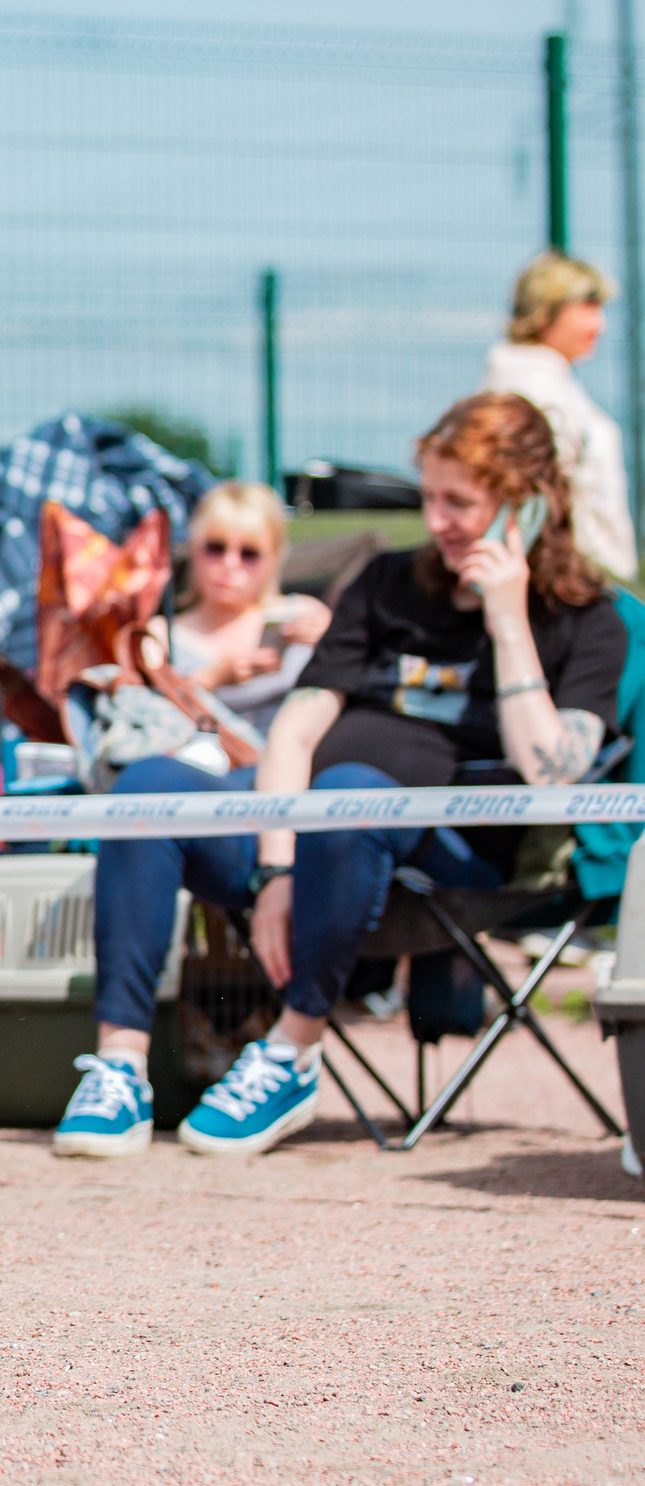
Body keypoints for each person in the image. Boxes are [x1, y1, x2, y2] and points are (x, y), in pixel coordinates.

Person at [51, 392, 624, 1158]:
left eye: (460, 502)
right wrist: (278, 869)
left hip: (449, 856)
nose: (439, 521)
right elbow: (294, 730)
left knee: (351, 789)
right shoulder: (388, 583)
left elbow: (552, 775)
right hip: (305, 831)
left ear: (526, 504)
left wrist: (508, 617)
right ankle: (120, 1069)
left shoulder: (588, 618)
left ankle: (292, 1050)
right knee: (151, 784)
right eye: (430, 497)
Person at [481, 251, 633, 579]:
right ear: (544, 311)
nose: (599, 324)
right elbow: (539, 499)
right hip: (570, 575)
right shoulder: (532, 388)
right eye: (586, 308)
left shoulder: (547, 378)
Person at [152, 482, 331, 735]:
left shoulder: (305, 614)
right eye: (216, 548)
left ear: (275, 557)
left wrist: (334, 644)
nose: (230, 564)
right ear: (193, 548)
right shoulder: (159, 636)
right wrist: (211, 679)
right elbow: (145, 715)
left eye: (249, 553)